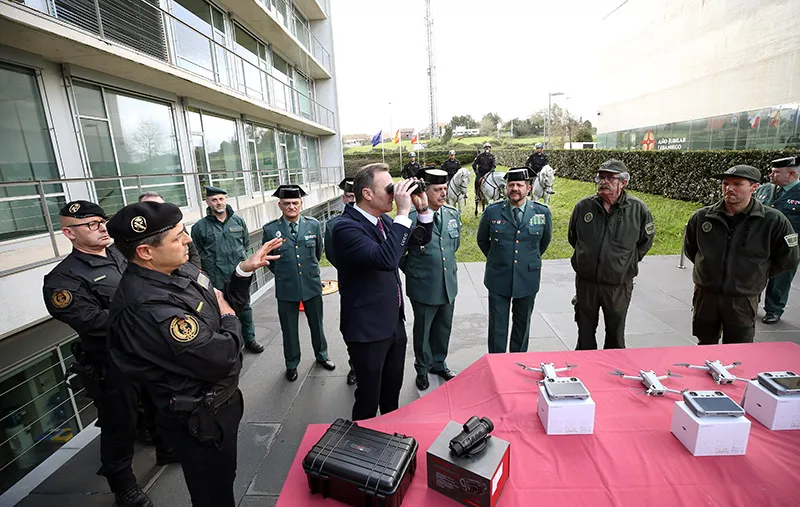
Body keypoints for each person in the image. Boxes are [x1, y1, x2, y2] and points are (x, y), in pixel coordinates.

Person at [106, 200, 282, 507]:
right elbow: (224, 354)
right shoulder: (147, 307)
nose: (188, 239)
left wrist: (241, 273)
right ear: (146, 252)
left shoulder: (179, 268)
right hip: (198, 420)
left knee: (224, 476)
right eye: (177, 237)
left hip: (220, 405)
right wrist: (229, 318)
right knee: (213, 493)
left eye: (183, 231)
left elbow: (218, 303)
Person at [42, 201, 164, 507]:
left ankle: (166, 448)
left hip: (148, 352)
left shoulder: (119, 253)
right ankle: (124, 486)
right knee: (119, 426)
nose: (101, 228)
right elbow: (92, 322)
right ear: (69, 233)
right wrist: (147, 316)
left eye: (101, 221)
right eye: (92, 225)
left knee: (158, 405)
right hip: (112, 363)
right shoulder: (63, 279)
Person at [332, 163, 433, 420]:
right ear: (367, 194)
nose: (393, 193)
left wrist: (421, 210)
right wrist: (402, 211)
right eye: (389, 189)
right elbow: (387, 259)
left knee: (391, 393)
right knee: (368, 398)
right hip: (367, 330)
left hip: (392, 324)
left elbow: (416, 239)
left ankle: (390, 443)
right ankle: (361, 448)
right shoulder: (346, 228)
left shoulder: (382, 221)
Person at [684, 164, 799, 345]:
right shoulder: (702, 217)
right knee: (704, 343)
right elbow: (691, 249)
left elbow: (788, 258)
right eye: (725, 183)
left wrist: (755, 275)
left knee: (738, 348)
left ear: (754, 188)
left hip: (742, 298)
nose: (729, 189)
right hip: (706, 294)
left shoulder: (773, 221)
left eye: (737, 184)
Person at [568, 159, 655, 349]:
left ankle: (612, 375)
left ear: (623, 182)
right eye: (601, 177)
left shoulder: (638, 210)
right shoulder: (584, 207)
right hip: (587, 284)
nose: (603, 182)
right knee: (584, 335)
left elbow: (645, 242)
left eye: (610, 178)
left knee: (615, 337)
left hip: (618, 286)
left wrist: (625, 263)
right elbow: (573, 238)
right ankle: (585, 371)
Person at [262, 185, 335, 382]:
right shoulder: (271, 230)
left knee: (317, 325)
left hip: (311, 285)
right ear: (280, 205)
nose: (291, 206)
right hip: (286, 287)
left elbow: (318, 252)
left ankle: (322, 355)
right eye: (287, 203)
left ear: (301, 204)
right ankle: (292, 364)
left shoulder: (312, 225)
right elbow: (268, 260)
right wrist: (286, 274)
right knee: (289, 329)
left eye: (295, 203)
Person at [477, 168, 552, 353]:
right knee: (498, 326)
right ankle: (497, 363)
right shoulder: (492, 212)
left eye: (519, 185)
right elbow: (482, 240)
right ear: (506, 188)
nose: (515, 188)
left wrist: (526, 259)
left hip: (527, 276)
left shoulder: (542, 212)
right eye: (511, 185)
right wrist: (500, 258)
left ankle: (517, 363)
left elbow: (544, 242)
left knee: (522, 324)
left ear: (528, 188)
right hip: (498, 276)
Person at [400, 169, 459, 390]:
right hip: (423, 284)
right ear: (425, 191)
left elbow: (454, 246)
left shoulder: (452, 214)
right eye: (437, 190)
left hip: (448, 283)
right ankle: (422, 369)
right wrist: (414, 270)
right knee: (423, 330)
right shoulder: (412, 219)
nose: (443, 193)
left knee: (444, 327)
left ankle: (439, 363)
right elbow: (399, 253)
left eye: (445, 188)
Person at [191, 186, 263, 353]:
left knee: (245, 308)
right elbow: (196, 253)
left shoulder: (238, 221)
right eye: (214, 200)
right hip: (215, 277)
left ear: (226, 199)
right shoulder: (199, 227)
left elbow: (245, 244)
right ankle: (229, 344)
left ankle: (250, 339)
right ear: (208, 202)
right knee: (220, 311)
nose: (218, 202)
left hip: (238, 276)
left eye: (221, 199)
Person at [754, 156, 800, 324]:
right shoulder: (764, 189)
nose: (771, 175)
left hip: (787, 246)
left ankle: (774, 310)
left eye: (776, 172)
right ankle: (750, 305)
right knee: (754, 275)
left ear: (791, 174)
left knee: (780, 279)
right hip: (760, 242)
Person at [324, 177, 358, 385]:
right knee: (352, 327)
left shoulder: (377, 219)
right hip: (350, 283)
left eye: (356, 196)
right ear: (344, 198)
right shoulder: (333, 224)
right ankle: (354, 366)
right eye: (349, 196)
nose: (352, 200)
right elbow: (332, 254)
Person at [139, 191, 201, 268]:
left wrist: (196, 268)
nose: (158, 211)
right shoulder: (139, 235)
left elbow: (192, 250)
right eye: (151, 207)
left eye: (160, 206)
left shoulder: (177, 225)